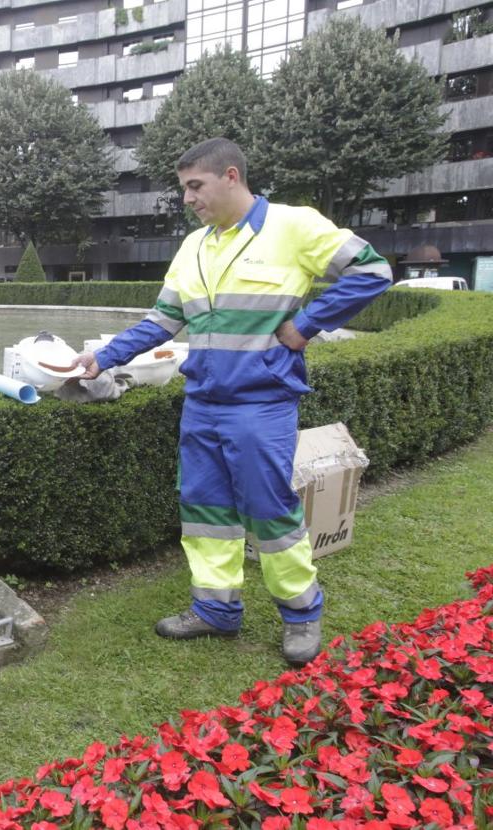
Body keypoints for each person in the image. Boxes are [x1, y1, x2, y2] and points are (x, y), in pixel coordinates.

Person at [74, 138, 392, 666]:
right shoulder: (194, 247)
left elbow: (372, 270)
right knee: (205, 511)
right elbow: (162, 321)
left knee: (269, 510)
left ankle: (301, 613)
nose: (187, 199)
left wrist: (306, 324)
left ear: (230, 176)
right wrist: (104, 357)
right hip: (202, 402)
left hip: (262, 403)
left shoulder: (293, 225)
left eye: (194, 187)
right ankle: (216, 610)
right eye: (183, 189)